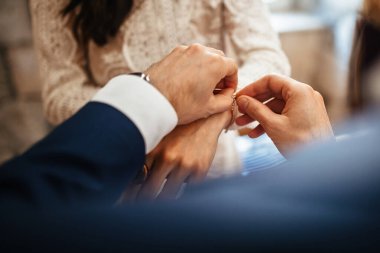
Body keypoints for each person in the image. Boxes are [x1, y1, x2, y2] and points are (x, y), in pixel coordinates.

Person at [2, 44, 379, 252]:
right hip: (123, 177)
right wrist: (158, 113)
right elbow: (59, 95)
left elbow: (266, 52)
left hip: (227, 155)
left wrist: (206, 117)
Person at [30, 0, 290, 199]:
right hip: (116, 175)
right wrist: (152, 118)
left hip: (213, 166)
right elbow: (60, 94)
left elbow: (269, 59)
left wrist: (210, 122)